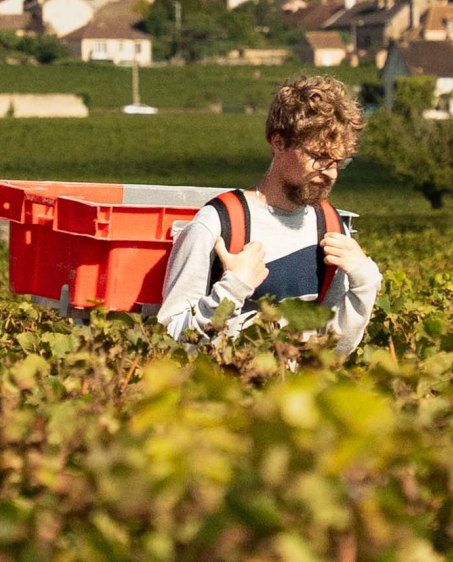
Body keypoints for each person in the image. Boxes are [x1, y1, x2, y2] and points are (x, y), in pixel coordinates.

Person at [154, 76, 384, 358]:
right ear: (279, 143)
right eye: (319, 157)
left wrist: (365, 282)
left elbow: (330, 352)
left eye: (339, 161)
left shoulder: (331, 229)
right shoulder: (217, 225)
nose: (331, 173)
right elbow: (172, 340)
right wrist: (233, 288)